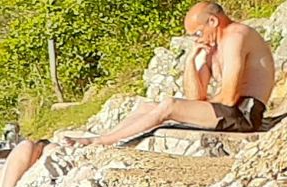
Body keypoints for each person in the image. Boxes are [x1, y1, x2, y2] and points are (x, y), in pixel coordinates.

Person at [78, 2, 276, 144]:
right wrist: (192, 59)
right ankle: (107, 137)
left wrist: (189, 107)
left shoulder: (236, 36)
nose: (198, 39)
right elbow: (194, 96)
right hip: (228, 111)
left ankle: (101, 141)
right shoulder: (213, 44)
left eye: (198, 33)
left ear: (213, 21)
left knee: (169, 106)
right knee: (145, 107)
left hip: (245, 113)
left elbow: (229, 98)